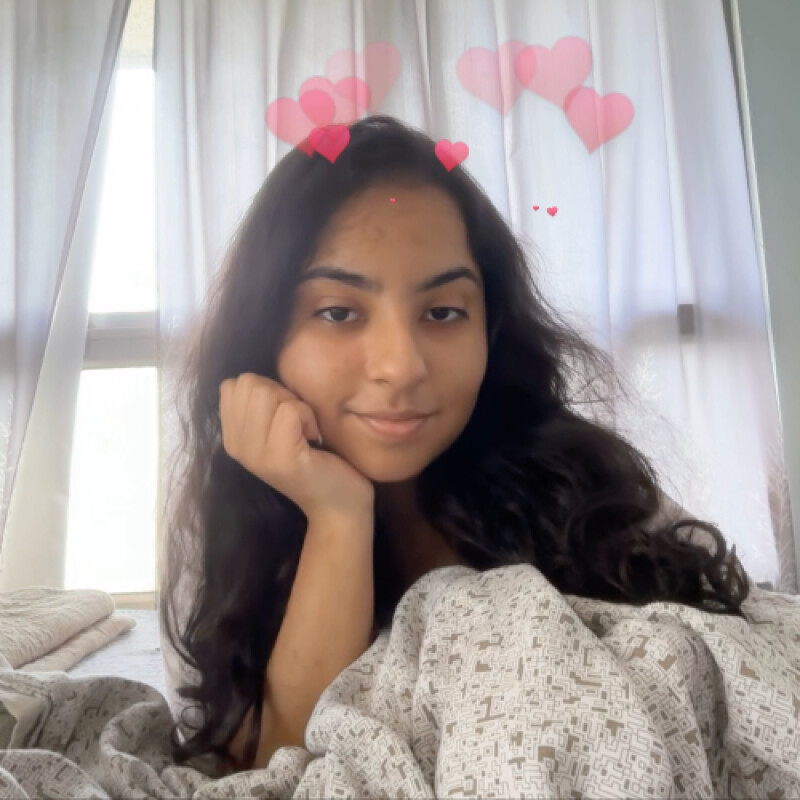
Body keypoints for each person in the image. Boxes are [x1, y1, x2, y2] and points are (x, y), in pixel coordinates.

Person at [158, 113, 751, 777]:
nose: (401, 366)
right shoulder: (236, 526)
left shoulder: (582, 485)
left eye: (442, 312)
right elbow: (283, 769)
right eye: (338, 312)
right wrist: (336, 517)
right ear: (263, 335)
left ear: (489, 328)